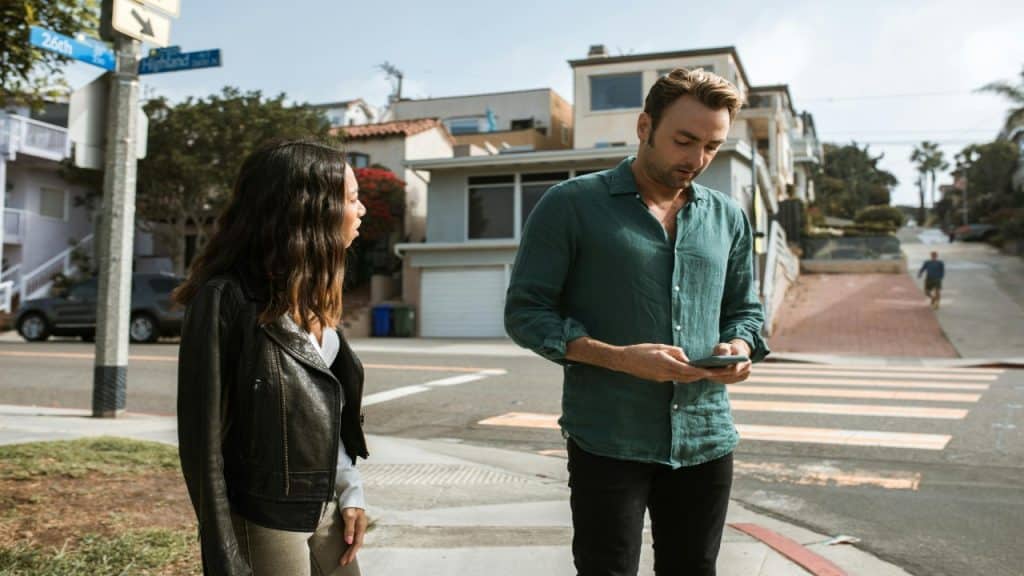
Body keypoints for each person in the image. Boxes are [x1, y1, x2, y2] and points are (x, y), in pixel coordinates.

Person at [505, 67, 769, 576]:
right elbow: (526, 312)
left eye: (712, 146)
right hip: (609, 437)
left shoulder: (729, 217)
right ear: (645, 126)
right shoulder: (571, 205)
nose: (697, 159)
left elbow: (746, 312)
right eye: (684, 141)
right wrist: (619, 359)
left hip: (705, 437)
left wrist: (739, 347)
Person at [174, 140, 369, 575]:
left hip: (326, 508)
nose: (361, 210)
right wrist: (222, 554)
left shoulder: (313, 297)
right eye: (352, 198)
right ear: (310, 210)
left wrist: (350, 490)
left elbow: (321, 415)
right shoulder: (226, 299)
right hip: (264, 518)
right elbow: (202, 444)